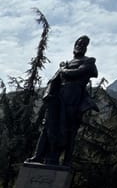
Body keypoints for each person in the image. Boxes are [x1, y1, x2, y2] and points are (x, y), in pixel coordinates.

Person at [28, 35, 98, 167]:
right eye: (78, 43)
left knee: (69, 129)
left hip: (73, 97)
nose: (80, 45)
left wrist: (62, 69)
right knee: (47, 126)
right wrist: (48, 94)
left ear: (86, 47)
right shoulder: (67, 63)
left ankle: (65, 160)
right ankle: (38, 156)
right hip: (59, 98)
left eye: (83, 44)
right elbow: (54, 80)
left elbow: (75, 73)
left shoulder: (89, 61)